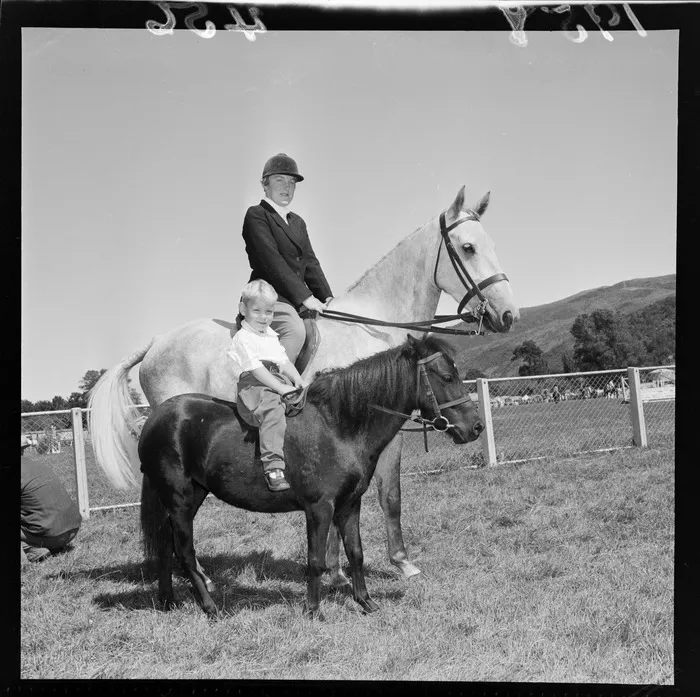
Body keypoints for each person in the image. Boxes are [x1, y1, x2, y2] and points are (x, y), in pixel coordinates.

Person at [241, 153, 334, 365]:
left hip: (295, 300)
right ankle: (274, 393)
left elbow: (310, 262)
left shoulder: (297, 222)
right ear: (265, 185)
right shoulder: (256, 215)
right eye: (280, 180)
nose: (287, 187)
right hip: (267, 298)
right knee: (294, 331)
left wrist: (327, 297)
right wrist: (306, 297)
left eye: (292, 182)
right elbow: (272, 261)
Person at [228, 280, 308, 492]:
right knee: (273, 409)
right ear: (243, 309)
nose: (264, 317)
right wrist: (282, 389)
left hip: (274, 380)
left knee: (304, 403)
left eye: (269, 312)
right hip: (253, 386)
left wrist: (297, 379)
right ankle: (273, 467)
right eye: (257, 311)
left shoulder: (271, 336)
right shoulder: (243, 338)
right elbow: (256, 369)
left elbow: (282, 361)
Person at [21, 436, 82, 564]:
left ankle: (28, 550)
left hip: (50, 535)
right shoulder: (38, 465)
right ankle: (49, 547)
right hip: (72, 530)